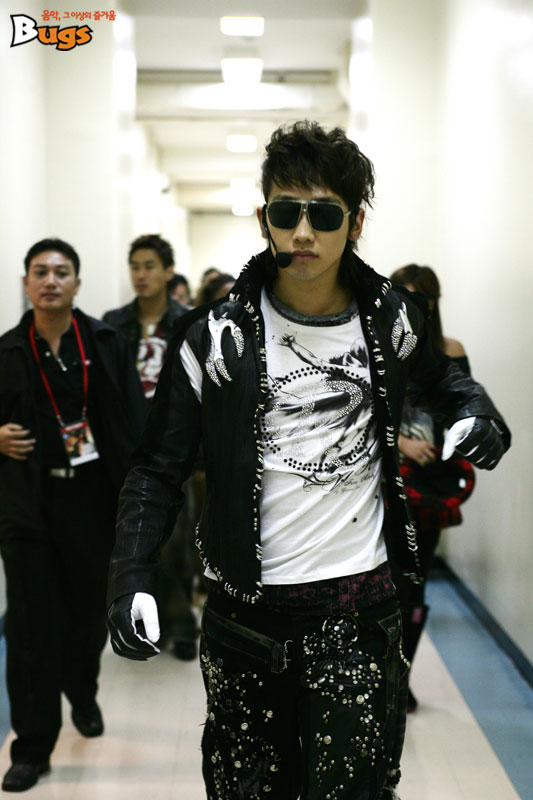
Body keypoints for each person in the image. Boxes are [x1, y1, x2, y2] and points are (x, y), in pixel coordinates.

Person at [107, 121, 510, 800]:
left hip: (358, 615)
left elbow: (447, 381)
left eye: (323, 215)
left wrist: (479, 414)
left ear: (354, 224)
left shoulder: (391, 321)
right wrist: (131, 575)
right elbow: (157, 467)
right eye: (286, 212)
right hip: (243, 618)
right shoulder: (213, 336)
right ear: (263, 217)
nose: (302, 233)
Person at [0, 238, 146, 792]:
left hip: (91, 502)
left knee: (86, 617)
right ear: (26, 283)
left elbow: (133, 418)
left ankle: (82, 692)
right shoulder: (8, 350)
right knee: (29, 626)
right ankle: (32, 748)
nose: (50, 281)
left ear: (77, 284)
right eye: (40, 272)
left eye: (61, 272)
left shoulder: (106, 343)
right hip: (28, 506)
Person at [103, 234, 198, 660]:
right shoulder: (114, 323)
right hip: (125, 447)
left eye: (149, 266)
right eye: (135, 266)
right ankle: (137, 620)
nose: (140, 275)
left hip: (173, 449)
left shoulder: (188, 321)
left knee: (175, 542)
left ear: (167, 271)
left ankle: (180, 624)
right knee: (130, 539)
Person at [389, 264, 474, 712]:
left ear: (434, 302)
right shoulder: (379, 346)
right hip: (384, 481)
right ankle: (382, 676)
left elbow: (463, 410)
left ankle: (401, 677)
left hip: (428, 484)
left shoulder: (449, 351)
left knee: (415, 588)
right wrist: (400, 443)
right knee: (381, 585)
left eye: (419, 298)